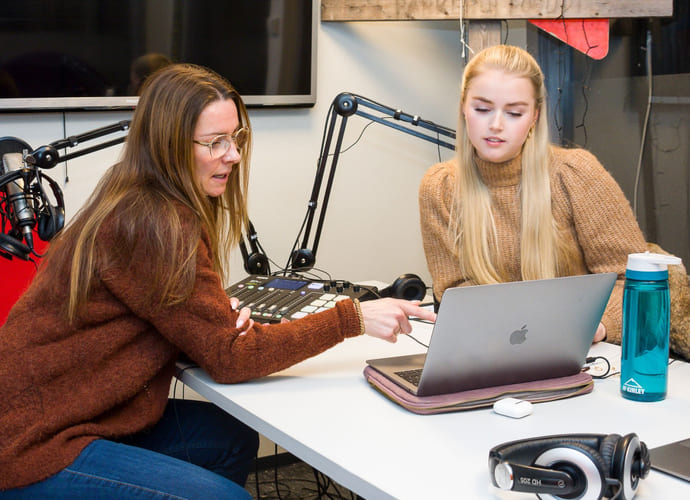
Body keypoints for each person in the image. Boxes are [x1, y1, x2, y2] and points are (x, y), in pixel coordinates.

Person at [0, 63, 436, 498]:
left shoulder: (139, 196)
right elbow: (230, 360)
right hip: (33, 445)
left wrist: (212, 326)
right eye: (215, 143)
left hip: (74, 415)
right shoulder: (154, 225)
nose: (234, 155)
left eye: (237, 138)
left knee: (230, 440)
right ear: (169, 148)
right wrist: (351, 318)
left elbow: (182, 323)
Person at [419, 44, 688, 350]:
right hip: (494, 350)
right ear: (463, 108)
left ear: (534, 116)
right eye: (482, 109)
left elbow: (632, 283)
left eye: (514, 112)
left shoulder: (575, 174)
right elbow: (455, 292)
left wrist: (595, 327)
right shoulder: (440, 187)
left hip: (587, 352)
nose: (495, 125)